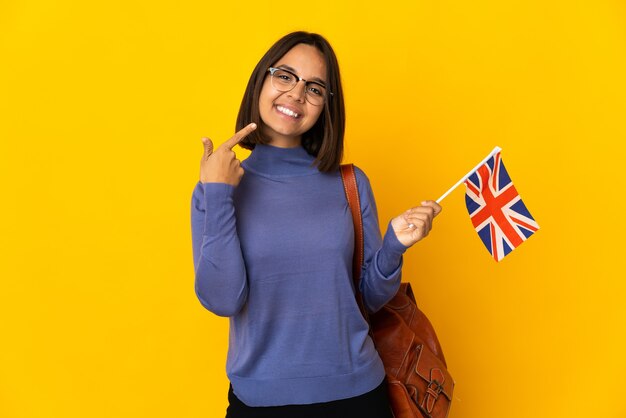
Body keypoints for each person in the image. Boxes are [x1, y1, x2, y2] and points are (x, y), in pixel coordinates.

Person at [191, 31, 442, 418]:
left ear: (325, 105)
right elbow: (223, 299)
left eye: (315, 88)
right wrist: (219, 193)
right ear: (262, 79)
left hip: (359, 396)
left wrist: (394, 245)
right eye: (285, 76)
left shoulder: (351, 184)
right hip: (260, 403)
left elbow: (367, 298)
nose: (296, 94)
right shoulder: (217, 186)